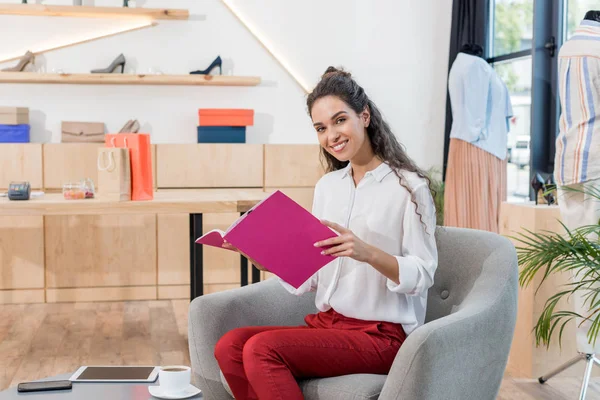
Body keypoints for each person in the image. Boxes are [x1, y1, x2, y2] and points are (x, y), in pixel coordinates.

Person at [214, 66, 438, 400]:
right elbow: (314, 272)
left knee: (262, 349)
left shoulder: (408, 188)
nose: (331, 135)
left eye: (339, 120)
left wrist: (367, 253)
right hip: (330, 324)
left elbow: (423, 274)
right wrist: (263, 256)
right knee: (230, 346)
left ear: (364, 116)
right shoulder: (328, 187)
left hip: (383, 336)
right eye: (321, 128)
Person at [555, 12, 600, 355]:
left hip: (568, 161)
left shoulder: (567, 48)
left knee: (581, 257)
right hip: (597, 163)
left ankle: (586, 346)